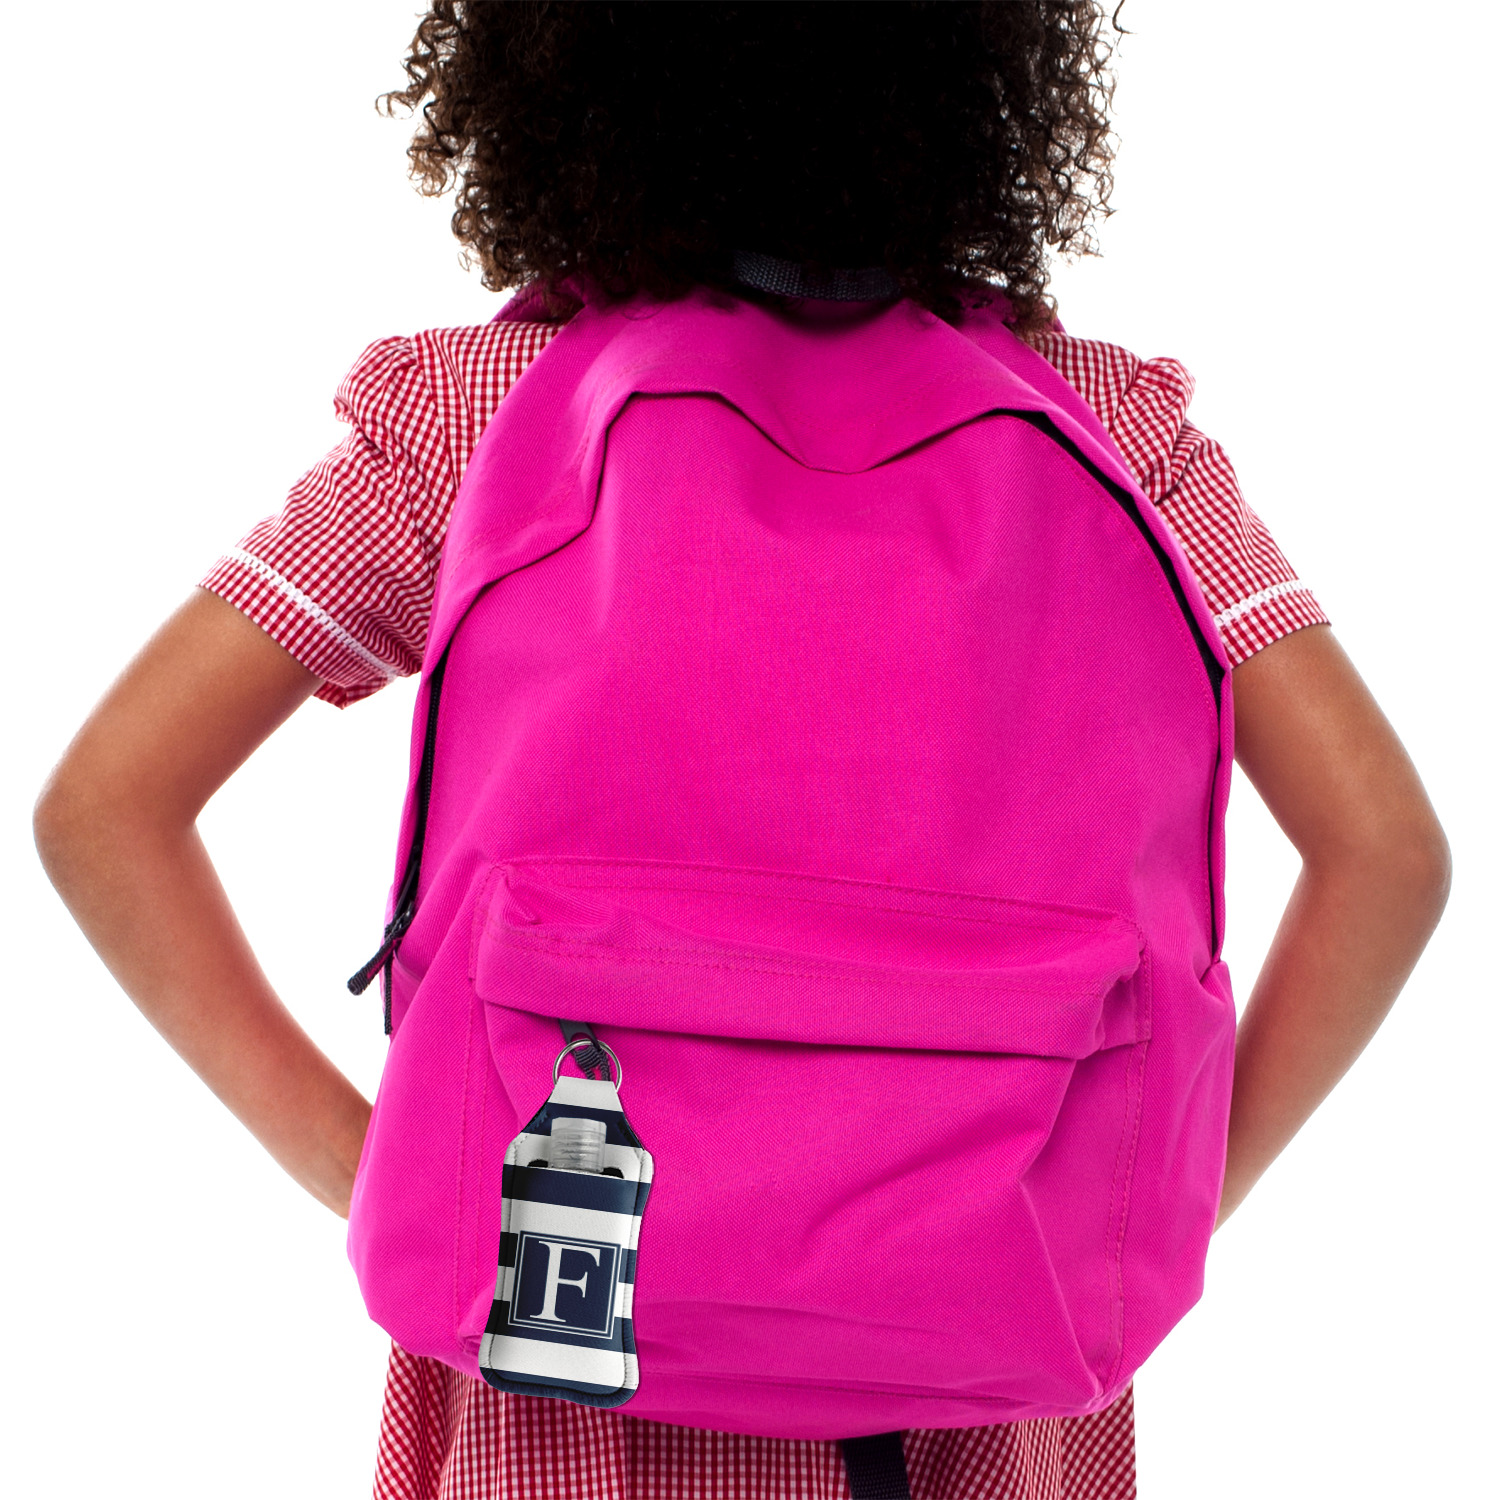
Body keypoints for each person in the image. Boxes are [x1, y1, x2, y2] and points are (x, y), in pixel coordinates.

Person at [32, 5, 1451, 1497]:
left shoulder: (479, 417)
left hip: (565, 1333)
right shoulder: (1107, 434)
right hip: (977, 1358)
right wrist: (1129, 1211)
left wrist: (375, 1167)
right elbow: (1387, 854)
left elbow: (107, 805)